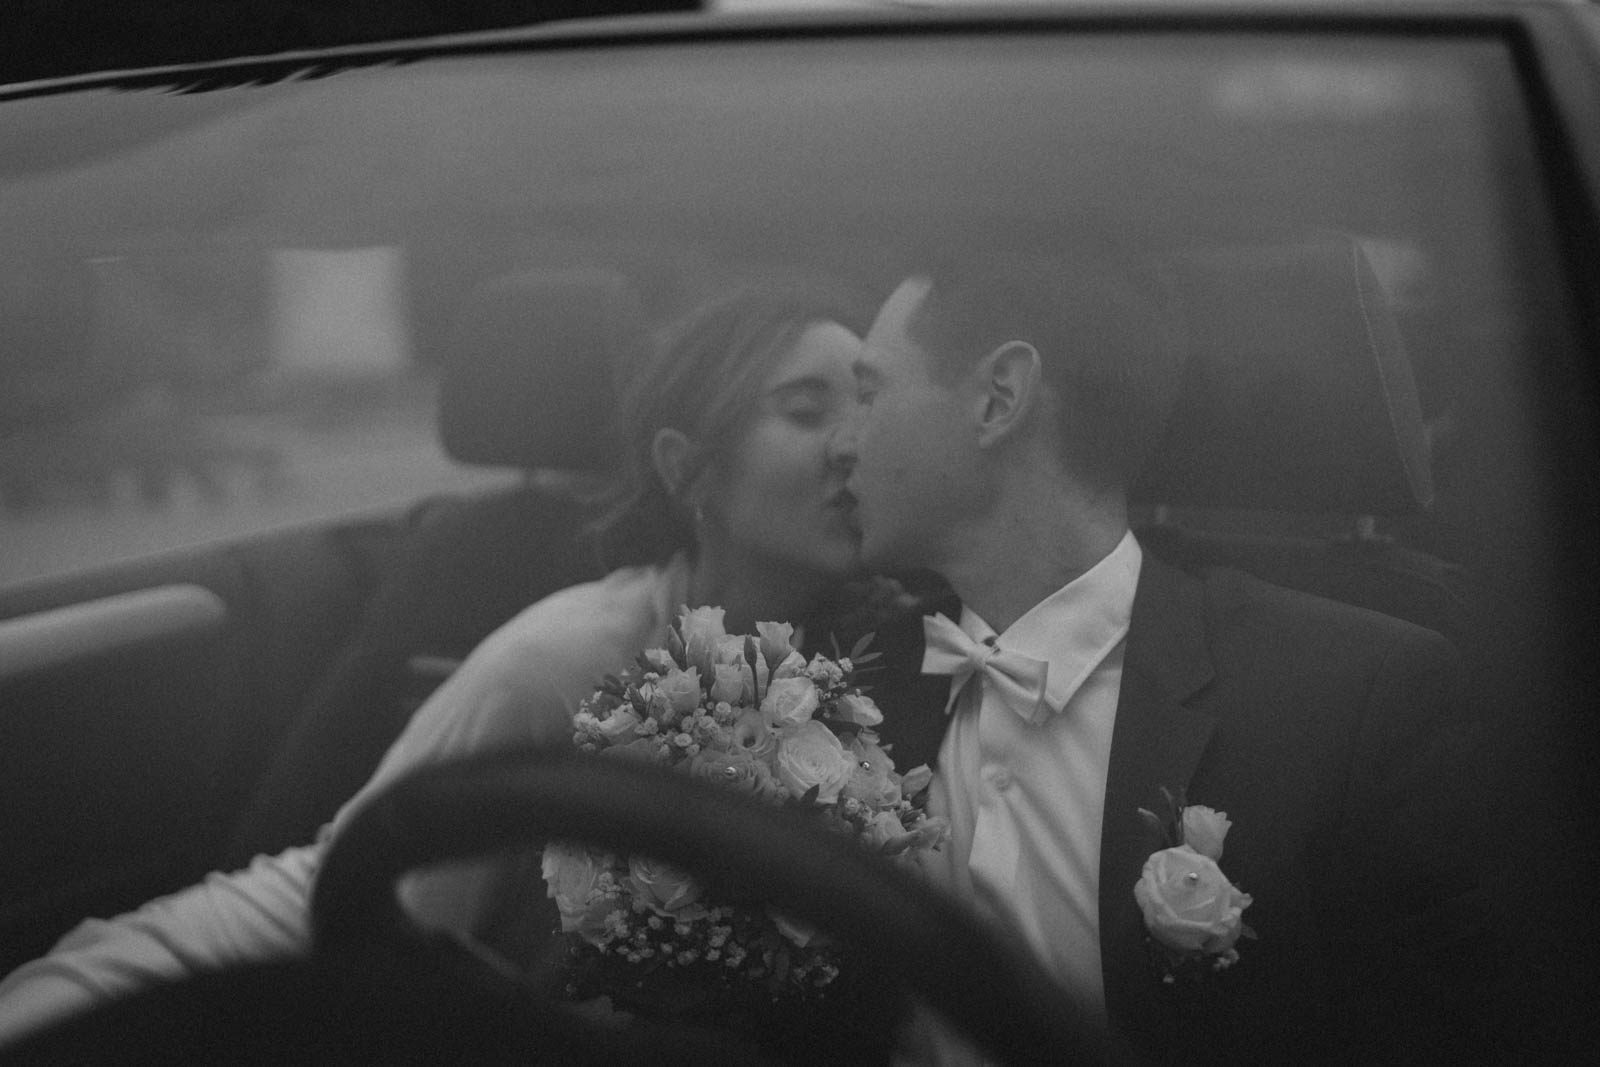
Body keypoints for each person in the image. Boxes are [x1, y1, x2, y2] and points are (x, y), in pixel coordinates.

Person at [0, 287, 873, 1048]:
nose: (853, 445)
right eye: (806, 412)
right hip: (224, 987)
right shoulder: (568, 655)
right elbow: (395, 959)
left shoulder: (878, 659)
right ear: (689, 471)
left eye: (871, 406)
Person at [828, 256, 1488, 1063]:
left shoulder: (1348, 702)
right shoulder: (842, 691)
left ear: (999, 397)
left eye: (869, 392)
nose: (841, 443)